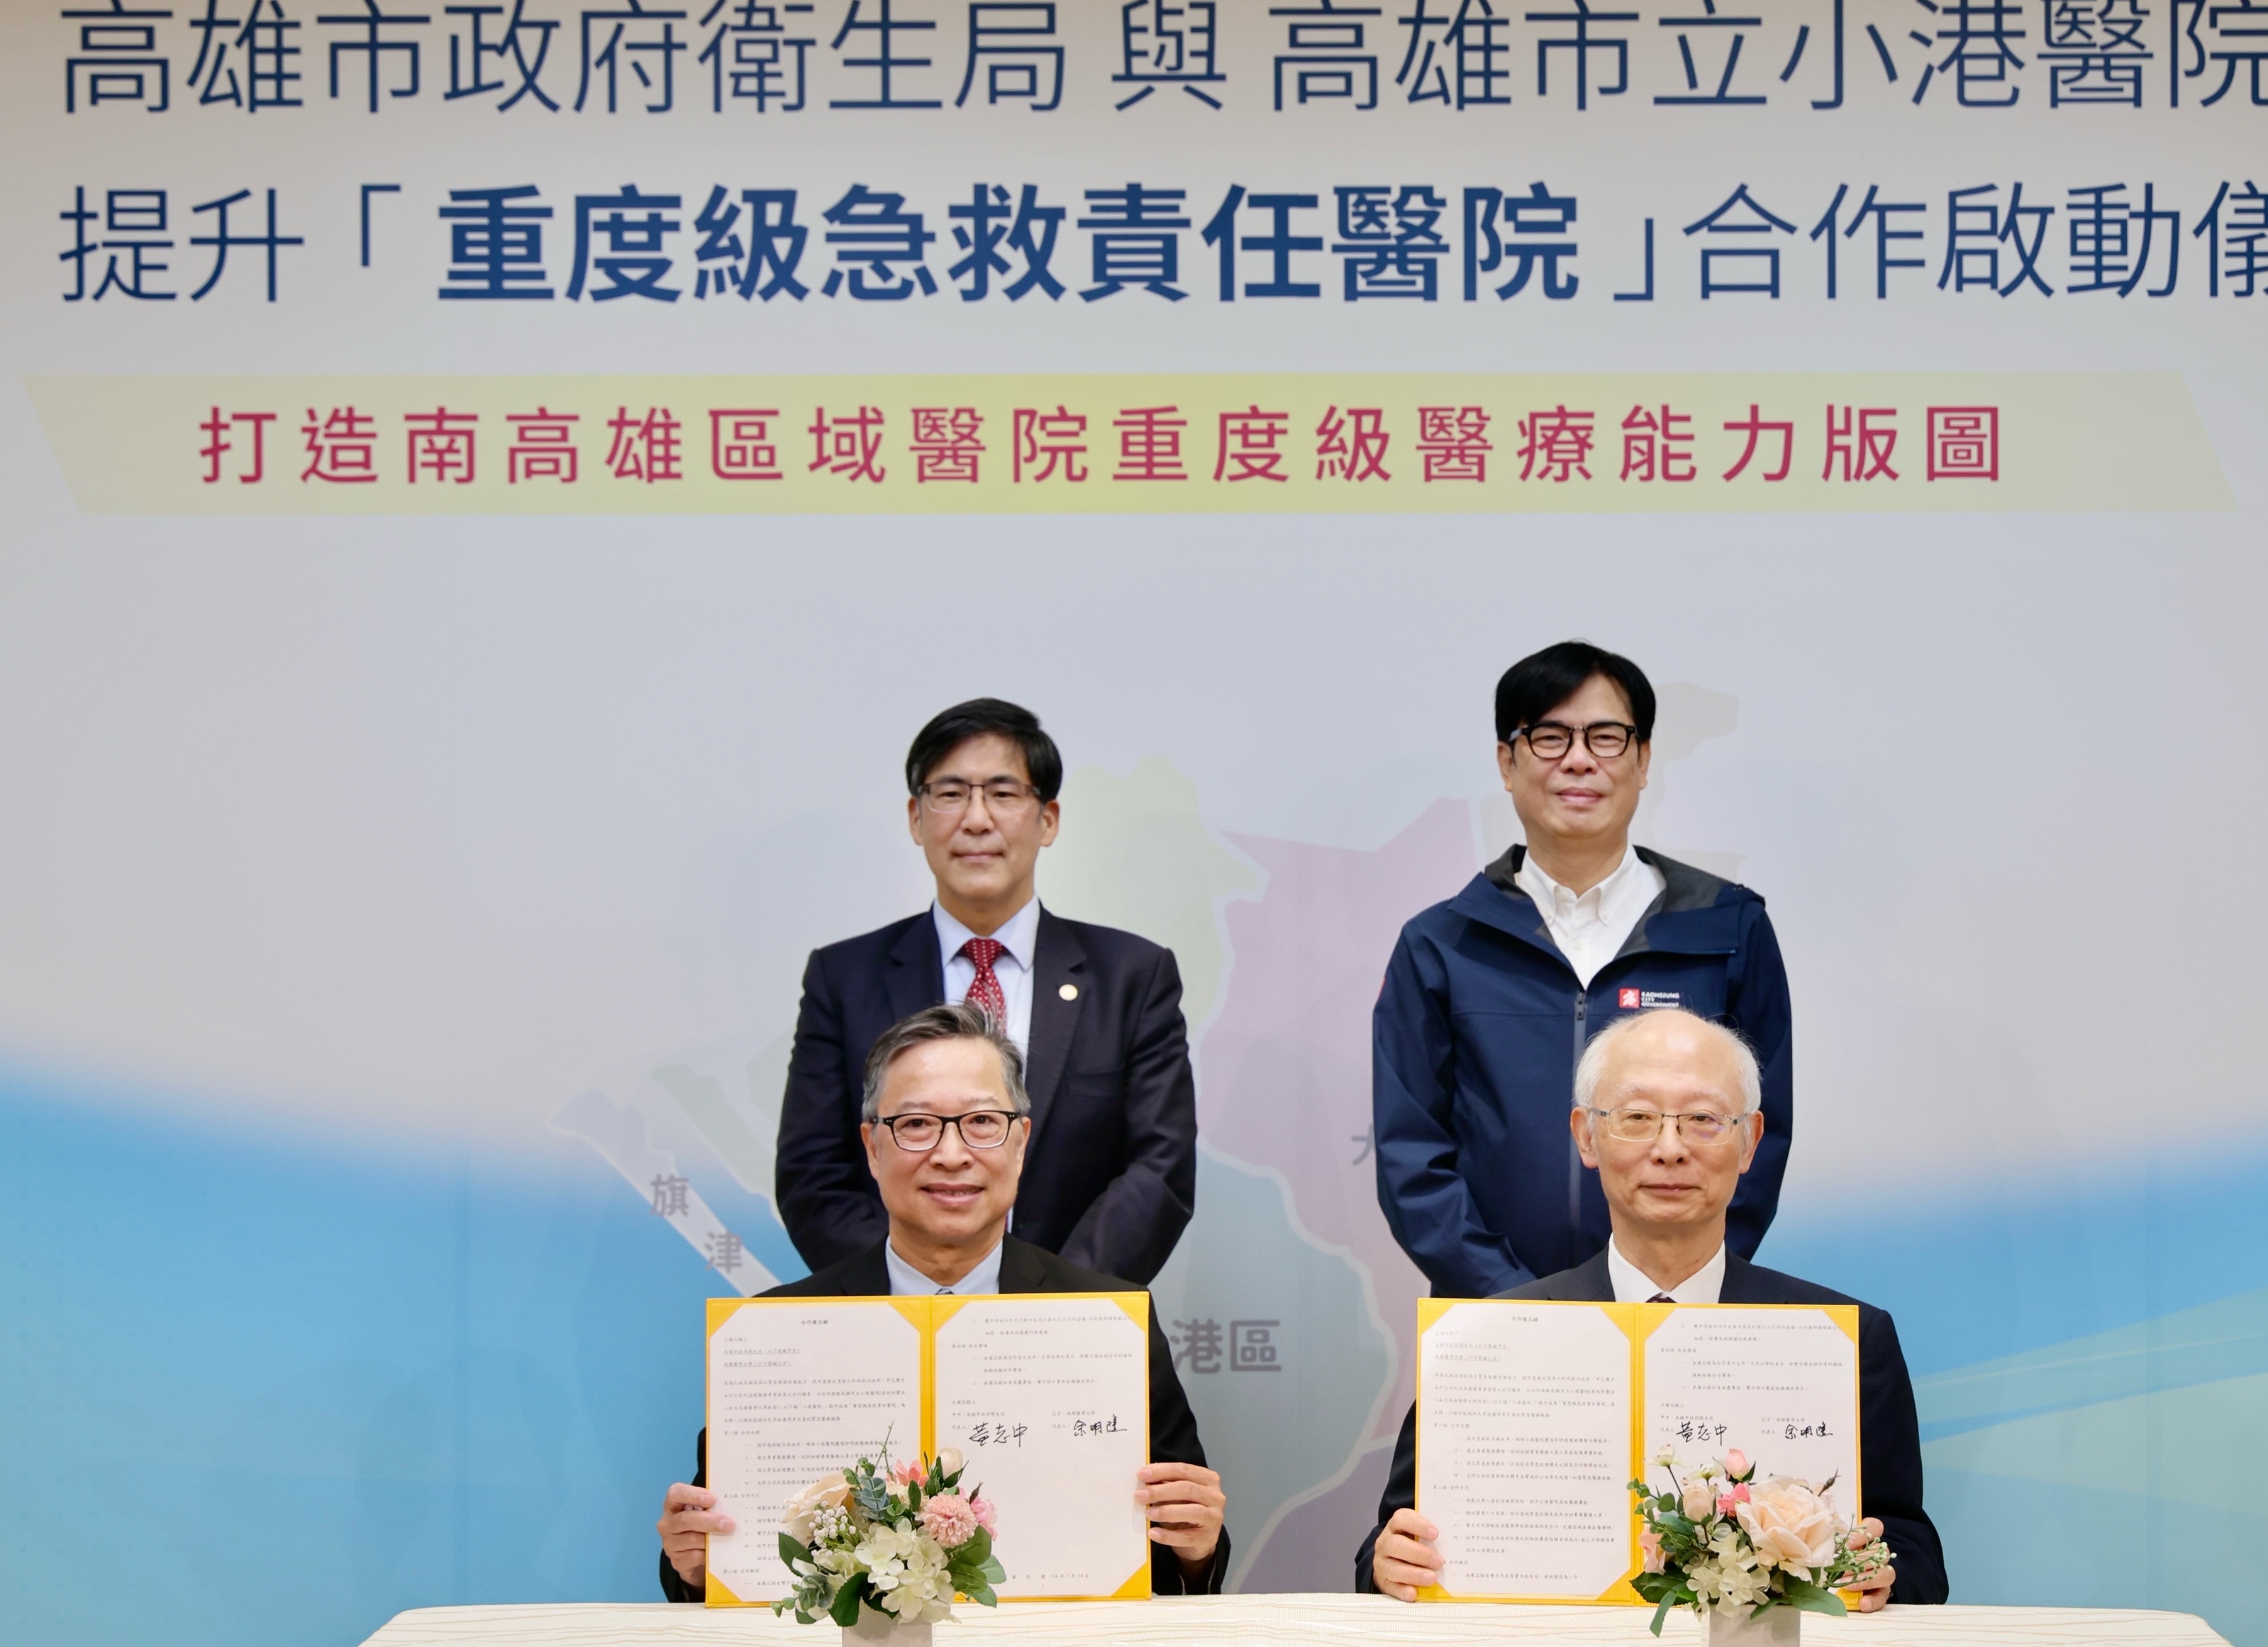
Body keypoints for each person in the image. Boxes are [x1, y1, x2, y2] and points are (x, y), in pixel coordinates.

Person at [1357, 1008, 1942, 1607]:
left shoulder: (1845, 1340)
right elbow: (1388, 1546)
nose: (1670, 1149)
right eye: (1637, 1118)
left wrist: (1881, 1570)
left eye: (1704, 1119)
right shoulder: (1485, 1339)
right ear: (1586, 1135)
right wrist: (1389, 1562)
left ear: (1750, 1140)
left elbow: (1914, 1551)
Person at [662, 1001, 1230, 1599]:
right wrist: (695, 1563)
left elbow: (1180, 1562)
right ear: (872, 1147)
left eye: (982, 1121)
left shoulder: (1111, 1323)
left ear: (1020, 1142)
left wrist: (1196, 1548)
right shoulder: (773, 1332)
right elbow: (716, 1562)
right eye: (916, 1124)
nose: (952, 1154)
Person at [1372, 640, 1794, 1297]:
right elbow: (1411, 1157)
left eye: (1606, 737)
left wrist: (1672, 1286)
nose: (1578, 759)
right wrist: (1519, 1303)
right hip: (1495, 1319)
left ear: (1643, 760)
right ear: (1507, 762)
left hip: (1675, 1313)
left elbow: (1759, 1137)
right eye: (1549, 737)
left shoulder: (1726, 930)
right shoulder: (1442, 945)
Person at [776, 699, 1197, 1282]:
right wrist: (925, 1288)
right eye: (950, 794)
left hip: (1076, 1315)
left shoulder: (1132, 976)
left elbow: (1158, 1169)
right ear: (916, 818)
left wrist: (1048, 1301)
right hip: (898, 1320)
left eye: (1003, 793)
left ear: (1047, 819)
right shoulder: (845, 977)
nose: (976, 820)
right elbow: (813, 1174)